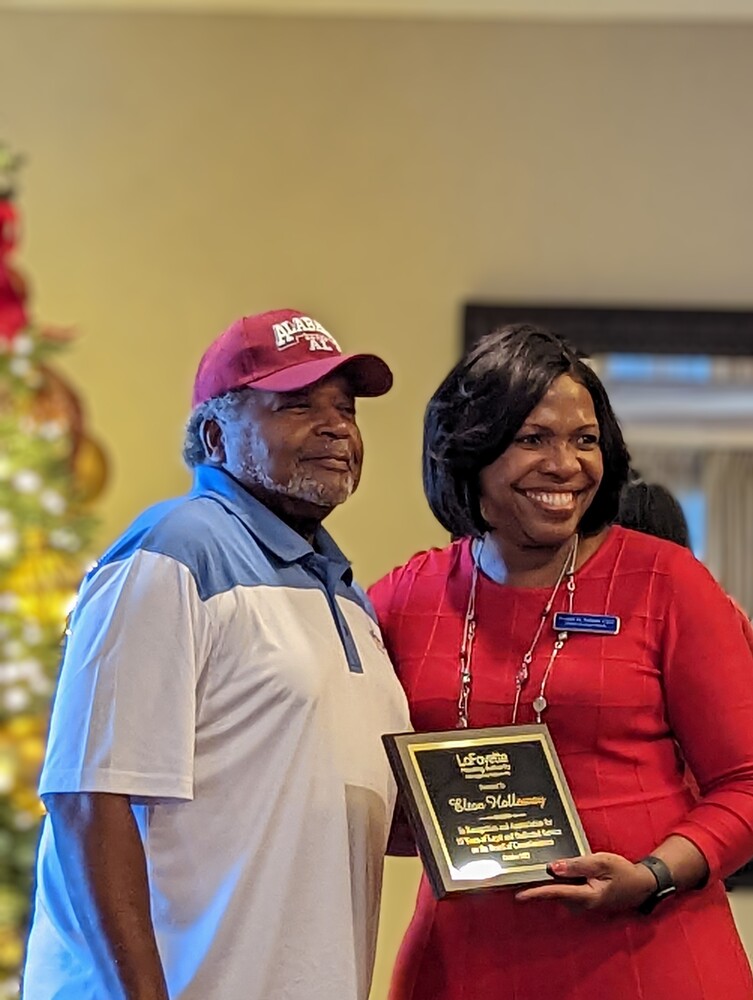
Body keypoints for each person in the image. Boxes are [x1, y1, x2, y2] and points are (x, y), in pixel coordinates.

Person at [22, 308, 410, 1000]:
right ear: (215, 435)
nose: (336, 428)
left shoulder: (349, 597)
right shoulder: (170, 553)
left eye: (345, 410)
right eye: (297, 406)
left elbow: (341, 806)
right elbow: (89, 795)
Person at [370, 324, 753, 1000]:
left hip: (647, 955)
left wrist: (653, 873)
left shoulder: (665, 583)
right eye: (531, 439)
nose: (566, 465)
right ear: (469, 451)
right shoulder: (406, 597)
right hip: (463, 966)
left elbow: (747, 782)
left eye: (584, 440)